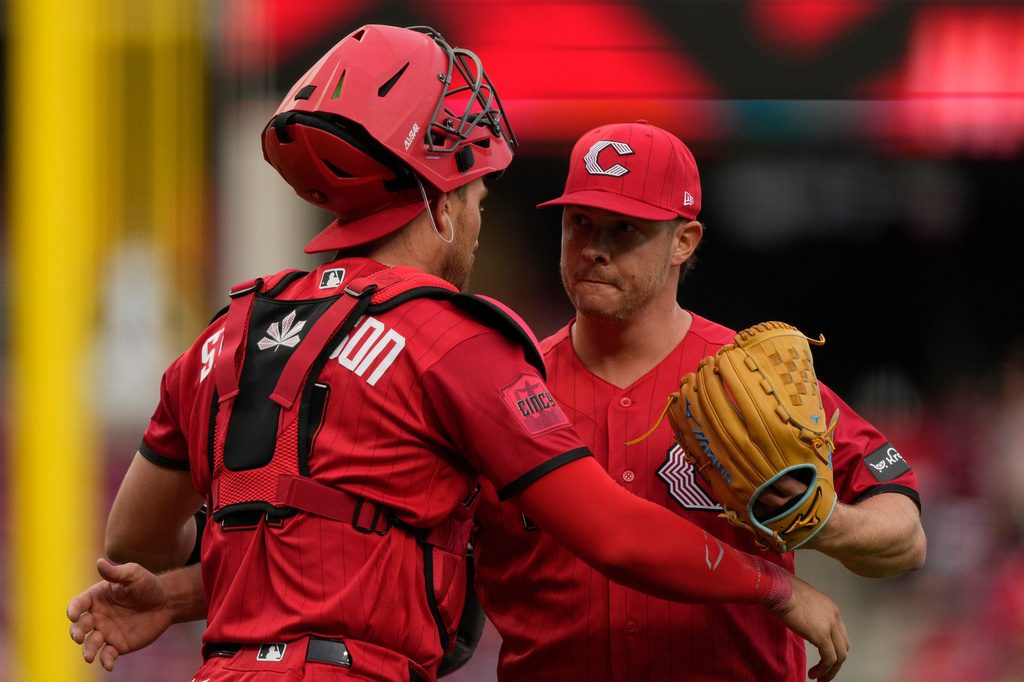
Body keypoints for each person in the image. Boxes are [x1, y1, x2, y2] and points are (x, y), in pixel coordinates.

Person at [67, 26, 850, 682]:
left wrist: (179, 590)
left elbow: (133, 541)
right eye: (477, 199)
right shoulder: (453, 338)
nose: (478, 221)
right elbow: (612, 533)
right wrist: (775, 589)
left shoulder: (225, 333)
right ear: (440, 203)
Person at [470, 120, 927, 681]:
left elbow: (905, 534)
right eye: (580, 224)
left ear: (684, 242)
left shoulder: (754, 380)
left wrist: (817, 522)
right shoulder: (512, 389)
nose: (594, 250)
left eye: (625, 230)